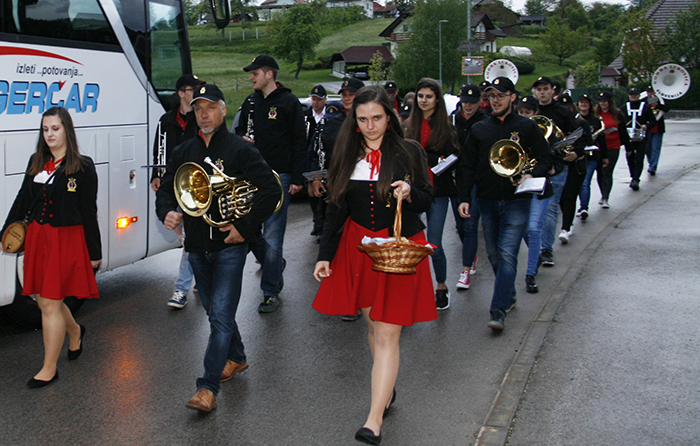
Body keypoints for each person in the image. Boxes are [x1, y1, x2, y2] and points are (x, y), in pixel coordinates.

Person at [312, 85, 436, 445]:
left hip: (399, 247)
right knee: (373, 326)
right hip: (360, 249)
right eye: (363, 119)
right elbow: (336, 209)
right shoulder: (346, 154)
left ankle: (373, 420)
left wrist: (409, 193)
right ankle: (387, 388)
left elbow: (427, 198)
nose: (370, 126)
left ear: (389, 117)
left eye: (377, 118)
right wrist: (325, 254)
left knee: (386, 333)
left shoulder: (409, 152)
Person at [156, 84, 280, 412]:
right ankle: (236, 357)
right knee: (214, 312)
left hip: (230, 246)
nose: (204, 114)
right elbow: (166, 189)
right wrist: (166, 211)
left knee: (221, 315)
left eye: (210, 108)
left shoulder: (240, 149)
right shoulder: (183, 151)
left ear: (223, 110)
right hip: (197, 246)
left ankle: (207, 387)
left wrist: (244, 227)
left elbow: (270, 190)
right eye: (198, 109)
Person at [1, 106, 101, 388]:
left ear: (67, 130)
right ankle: (75, 331)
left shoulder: (82, 167)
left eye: (55, 129)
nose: (49, 135)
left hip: (65, 239)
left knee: (49, 301)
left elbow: (88, 211)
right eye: (45, 129)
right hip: (38, 237)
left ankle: (49, 367)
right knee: (45, 299)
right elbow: (22, 199)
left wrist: (94, 253)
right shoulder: (36, 161)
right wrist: (5, 233)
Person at [456, 77, 551, 331]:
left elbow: (546, 158)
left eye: (500, 95)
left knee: (508, 254)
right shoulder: (480, 129)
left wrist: (532, 174)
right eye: (491, 96)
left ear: (513, 97)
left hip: (516, 201)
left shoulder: (527, 127)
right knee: (494, 255)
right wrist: (464, 198)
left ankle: (497, 310)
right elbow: (466, 166)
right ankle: (508, 294)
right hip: (486, 200)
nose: (495, 100)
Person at [235, 55, 307, 313]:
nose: (251, 78)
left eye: (254, 73)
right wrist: (243, 139)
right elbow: (238, 131)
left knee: (273, 235)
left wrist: (297, 177)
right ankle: (273, 263)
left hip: (280, 177)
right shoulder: (250, 102)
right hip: (252, 176)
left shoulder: (289, 102)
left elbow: (299, 141)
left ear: (269, 74)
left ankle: (270, 292)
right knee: (250, 229)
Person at [307, 77, 365, 322]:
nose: (347, 98)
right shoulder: (332, 122)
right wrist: (315, 178)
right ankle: (350, 301)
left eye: (352, 94)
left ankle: (372, 298)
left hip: (366, 190)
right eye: (344, 94)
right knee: (339, 242)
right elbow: (318, 151)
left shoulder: (370, 122)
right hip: (339, 188)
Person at [404, 78, 459, 310]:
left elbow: (453, 157)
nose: (424, 100)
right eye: (420, 96)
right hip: (413, 190)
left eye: (429, 96)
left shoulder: (447, 128)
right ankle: (410, 289)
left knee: (433, 243)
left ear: (437, 99)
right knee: (409, 243)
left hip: (438, 191)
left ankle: (441, 286)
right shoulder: (408, 125)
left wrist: (427, 157)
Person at [151, 74, 204, 309]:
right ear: (181, 93)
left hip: (194, 186)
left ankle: (181, 289)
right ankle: (201, 275)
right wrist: (155, 175)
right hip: (171, 184)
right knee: (188, 240)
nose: (197, 93)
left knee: (189, 240)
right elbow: (159, 148)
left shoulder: (200, 119)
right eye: (193, 89)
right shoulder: (166, 120)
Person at [532, 76, 582, 267]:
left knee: (550, 207)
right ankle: (535, 247)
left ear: (553, 91)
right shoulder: (530, 110)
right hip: (534, 165)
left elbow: (580, 135)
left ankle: (546, 249)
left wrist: (576, 153)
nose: (542, 93)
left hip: (556, 166)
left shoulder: (562, 112)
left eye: (545, 89)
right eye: (539, 89)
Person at [514, 95, 552, 294]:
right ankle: (535, 254)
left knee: (534, 228)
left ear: (535, 113)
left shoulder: (546, 132)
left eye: (527, 112)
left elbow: (554, 160)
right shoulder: (514, 131)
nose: (523, 116)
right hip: (519, 188)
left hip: (538, 186)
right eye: (520, 112)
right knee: (522, 229)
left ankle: (530, 275)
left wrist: (536, 172)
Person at [451, 84, 486, 290]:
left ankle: (465, 270)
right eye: (465, 102)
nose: (468, 106)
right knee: (460, 225)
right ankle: (470, 254)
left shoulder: (484, 122)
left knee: (470, 224)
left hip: (475, 177)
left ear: (479, 102)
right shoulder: (454, 120)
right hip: (456, 175)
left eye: (472, 102)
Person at [575, 94, 609, 221]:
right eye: (581, 102)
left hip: (592, 156)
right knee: (579, 183)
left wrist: (605, 156)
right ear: (578, 105)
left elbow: (602, 140)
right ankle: (582, 206)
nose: (583, 104)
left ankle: (584, 207)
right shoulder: (574, 119)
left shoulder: (596, 121)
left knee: (585, 182)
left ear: (590, 105)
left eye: (586, 102)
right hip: (578, 156)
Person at [595, 91, 630, 208]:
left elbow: (623, 131)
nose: (603, 103)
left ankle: (606, 197)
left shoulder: (617, 114)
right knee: (600, 172)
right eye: (601, 101)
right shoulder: (595, 114)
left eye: (605, 101)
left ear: (609, 102)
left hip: (613, 146)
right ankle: (602, 193)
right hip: (599, 147)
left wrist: (628, 147)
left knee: (607, 171)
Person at [623, 86, 656, 191]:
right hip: (629, 138)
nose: (633, 96)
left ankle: (636, 179)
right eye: (631, 94)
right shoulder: (624, 108)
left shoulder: (645, 107)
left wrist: (647, 126)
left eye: (635, 95)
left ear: (638, 96)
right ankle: (633, 175)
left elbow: (653, 121)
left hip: (641, 138)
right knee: (630, 158)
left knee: (639, 158)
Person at [305, 85, 327, 237]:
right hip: (310, 158)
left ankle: (321, 225)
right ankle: (316, 221)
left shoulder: (329, 116)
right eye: (313, 99)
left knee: (322, 195)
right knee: (312, 194)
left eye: (318, 100)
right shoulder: (306, 117)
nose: (315, 103)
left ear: (324, 100)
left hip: (323, 158)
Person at [644, 87, 670, 176]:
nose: (650, 94)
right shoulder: (644, 101)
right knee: (647, 149)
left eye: (652, 92)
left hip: (657, 128)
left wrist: (657, 105)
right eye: (648, 92)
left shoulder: (660, 100)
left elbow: (667, 108)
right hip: (647, 128)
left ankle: (653, 167)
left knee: (655, 148)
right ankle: (651, 163)